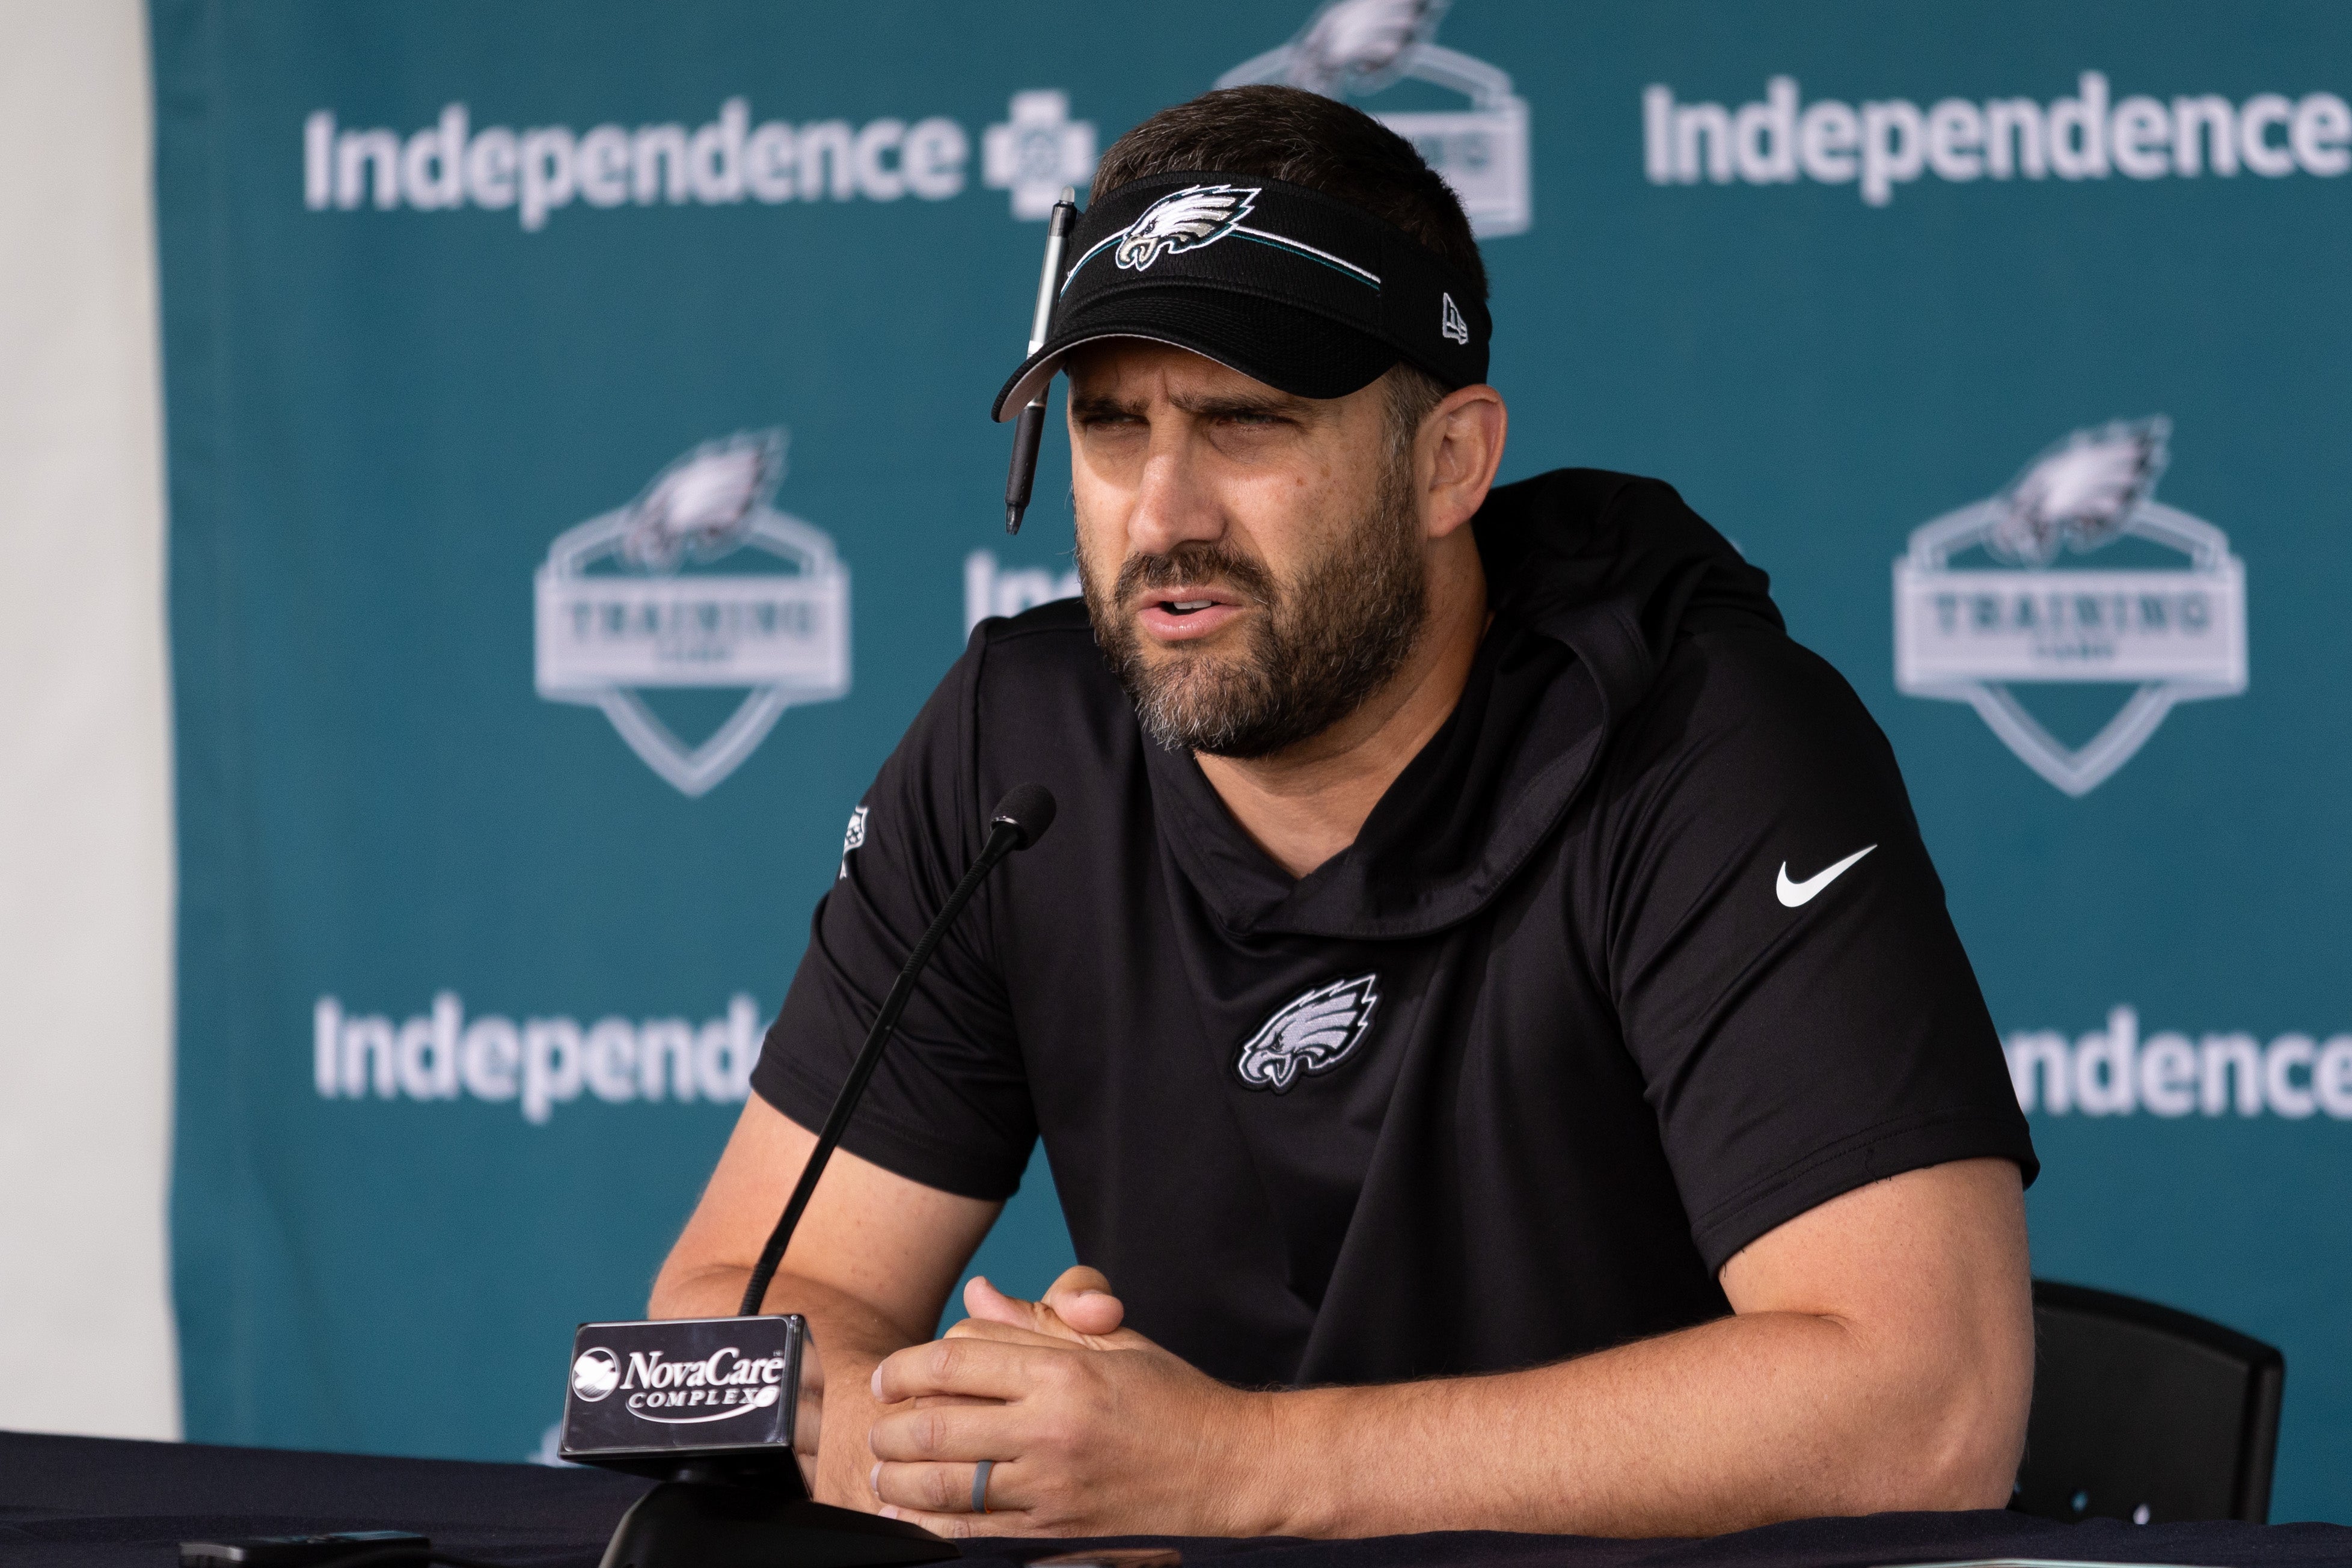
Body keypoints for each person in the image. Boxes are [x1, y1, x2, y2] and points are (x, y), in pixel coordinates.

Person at [652, 84, 2037, 1540]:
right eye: (1113, 426)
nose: (1163, 509)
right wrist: (945, 1439)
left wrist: (1235, 1468)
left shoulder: (1701, 739)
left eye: (1245, 423)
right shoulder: (1021, 748)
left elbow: (1928, 1404)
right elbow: (715, 1328)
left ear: (1451, 461)